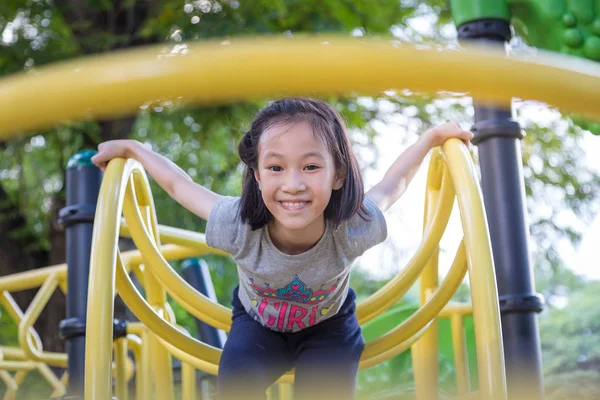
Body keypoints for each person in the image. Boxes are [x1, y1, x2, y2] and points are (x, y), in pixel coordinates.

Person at [91, 98, 473, 400]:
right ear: (257, 175)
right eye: (275, 168)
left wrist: (430, 139)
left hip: (330, 328)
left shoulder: (351, 226)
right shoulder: (239, 224)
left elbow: (393, 184)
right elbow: (180, 186)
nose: (292, 184)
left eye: (310, 167)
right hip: (257, 325)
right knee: (235, 382)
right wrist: (134, 149)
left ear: (338, 174)